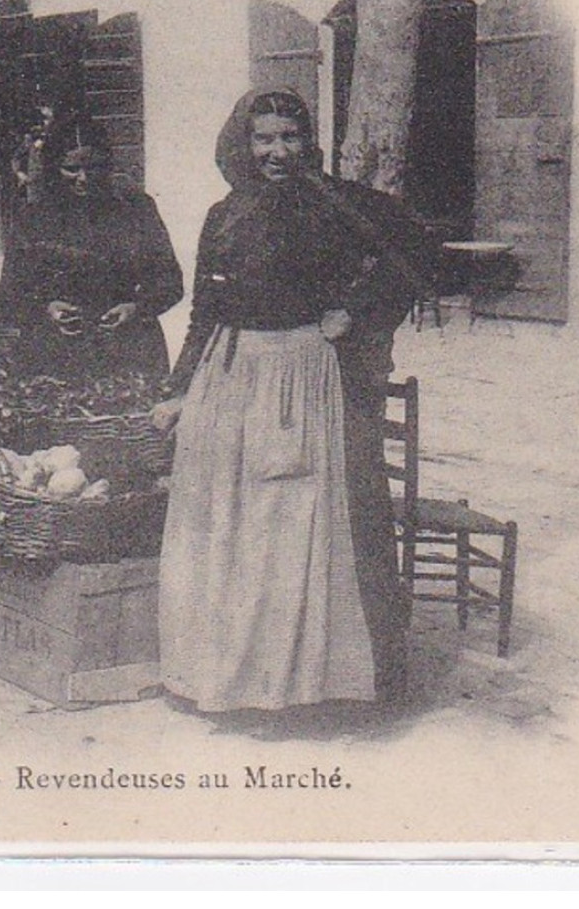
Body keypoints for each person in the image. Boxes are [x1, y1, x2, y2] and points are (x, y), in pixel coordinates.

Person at [151, 89, 394, 712]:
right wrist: (179, 390)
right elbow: (205, 309)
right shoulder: (223, 215)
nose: (276, 151)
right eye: (264, 139)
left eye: (288, 137)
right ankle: (227, 680)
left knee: (287, 530)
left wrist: (355, 310)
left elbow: (408, 258)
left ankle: (299, 687)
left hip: (303, 379)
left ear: (304, 142)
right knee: (229, 527)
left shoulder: (334, 205)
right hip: (229, 379)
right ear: (245, 143)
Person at [0, 122, 183, 381]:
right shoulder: (34, 217)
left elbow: (170, 281)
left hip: (128, 350)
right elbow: (11, 288)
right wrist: (46, 308)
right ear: (53, 168)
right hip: (53, 352)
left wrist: (136, 308)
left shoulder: (135, 209)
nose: (84, 178)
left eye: (94, 167)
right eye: (71, 169)